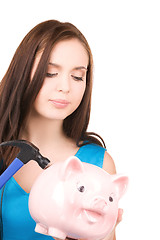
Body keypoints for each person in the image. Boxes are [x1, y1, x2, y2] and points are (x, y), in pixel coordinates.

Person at [0, 20, 123, 240]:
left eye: (77, 76)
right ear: (22, 73)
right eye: (49, 73)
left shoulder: (99, 165)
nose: (65, 87)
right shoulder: (3, 153)